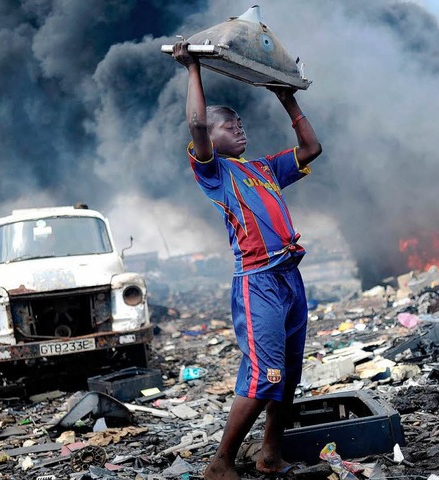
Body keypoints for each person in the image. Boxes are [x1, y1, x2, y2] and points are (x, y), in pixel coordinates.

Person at [172, 42, 322, 480]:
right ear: (210, 138)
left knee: (287, 375)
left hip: (289, 279)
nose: (239, 129)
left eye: (240, 123)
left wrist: (286, 97)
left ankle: (270, 456)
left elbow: (311, 148)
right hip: (258, 282)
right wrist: (193, 67)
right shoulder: (213, 171)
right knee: (266, 373)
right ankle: (220, 463)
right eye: (229, 124)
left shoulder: (264, 169)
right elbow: (197, 121)